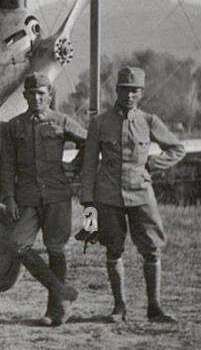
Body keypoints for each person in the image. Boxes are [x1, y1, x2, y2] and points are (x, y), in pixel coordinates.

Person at [79, 66, 186, 322]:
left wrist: (152, 166)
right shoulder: (99, 123)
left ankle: (155, 307)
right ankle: (120, 307)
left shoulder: (149, 121)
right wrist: (88, 204)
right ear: (117, 91)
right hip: (108, 196)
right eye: (125, 91)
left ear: (141, 93)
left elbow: (177, 149)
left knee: (152, 249)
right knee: (113, 249)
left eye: (134, 91)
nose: (129, 96)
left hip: (141, 193)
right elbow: (89, 165)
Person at [0, 73, 86, 326]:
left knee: (56, 248)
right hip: (26, 197)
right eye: (31, 93)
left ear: (49, 95)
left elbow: (89, 142)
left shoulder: (62, 121)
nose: (36, 98)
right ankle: (61, 291)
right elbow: (7, 165)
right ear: (24, 96)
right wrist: (9, 197)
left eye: (41, 93)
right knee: (17, 245)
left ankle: (55, 310)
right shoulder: (14, 126)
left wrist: (75, 168)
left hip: (57, 195)